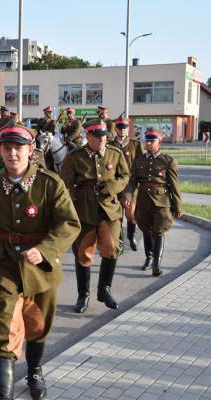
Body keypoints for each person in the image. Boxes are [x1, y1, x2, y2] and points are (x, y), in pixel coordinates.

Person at [0, 125, 81, 400]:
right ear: (0, 151)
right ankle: (3, 395)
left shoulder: (50, 184)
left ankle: (34, 370)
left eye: (19, 148)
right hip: (3, 262)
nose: (12, 153)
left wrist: (45, 250)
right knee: (4, 328)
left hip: (41, 267)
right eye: (6, 148)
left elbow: (69, 223)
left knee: (38, 326)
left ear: (31, 150)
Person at [59, 119, 129, 314]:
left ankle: (104, 289)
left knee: (111, 248)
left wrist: (112, 187)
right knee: (83, 252)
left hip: (109, 209)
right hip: (84, 210)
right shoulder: (75, 157)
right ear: (88, 136)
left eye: (105, 136)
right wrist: (74, 202)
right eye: (98, 136)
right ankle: (83, 294)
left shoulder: (114, 153)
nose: (103, 139)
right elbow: (64, 183)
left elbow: (124, 176)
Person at [123, 128, 183, 276]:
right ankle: (148, 258)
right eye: (147, 141)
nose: (148, 144)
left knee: (158, 231)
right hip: (143, 201)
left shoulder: (168, 161)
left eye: (151, 141)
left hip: (162, 202)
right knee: (145, 229)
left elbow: (174, 186)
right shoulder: (139, 161)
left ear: (159, 142)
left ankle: (157, 263)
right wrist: (128, 197)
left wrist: (178, 206)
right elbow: (132, 182)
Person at [108, 118, 144, 253]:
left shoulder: (135, 144)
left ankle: (131, 236)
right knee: (118, 216)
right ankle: (120, 242)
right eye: (119, 128)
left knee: (130, 214)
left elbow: (141, 163)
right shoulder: (110, 144)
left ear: (128, 128)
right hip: (115, 184)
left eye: (124, 128)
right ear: (115, 129)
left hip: (130, 184)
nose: (122, 130)